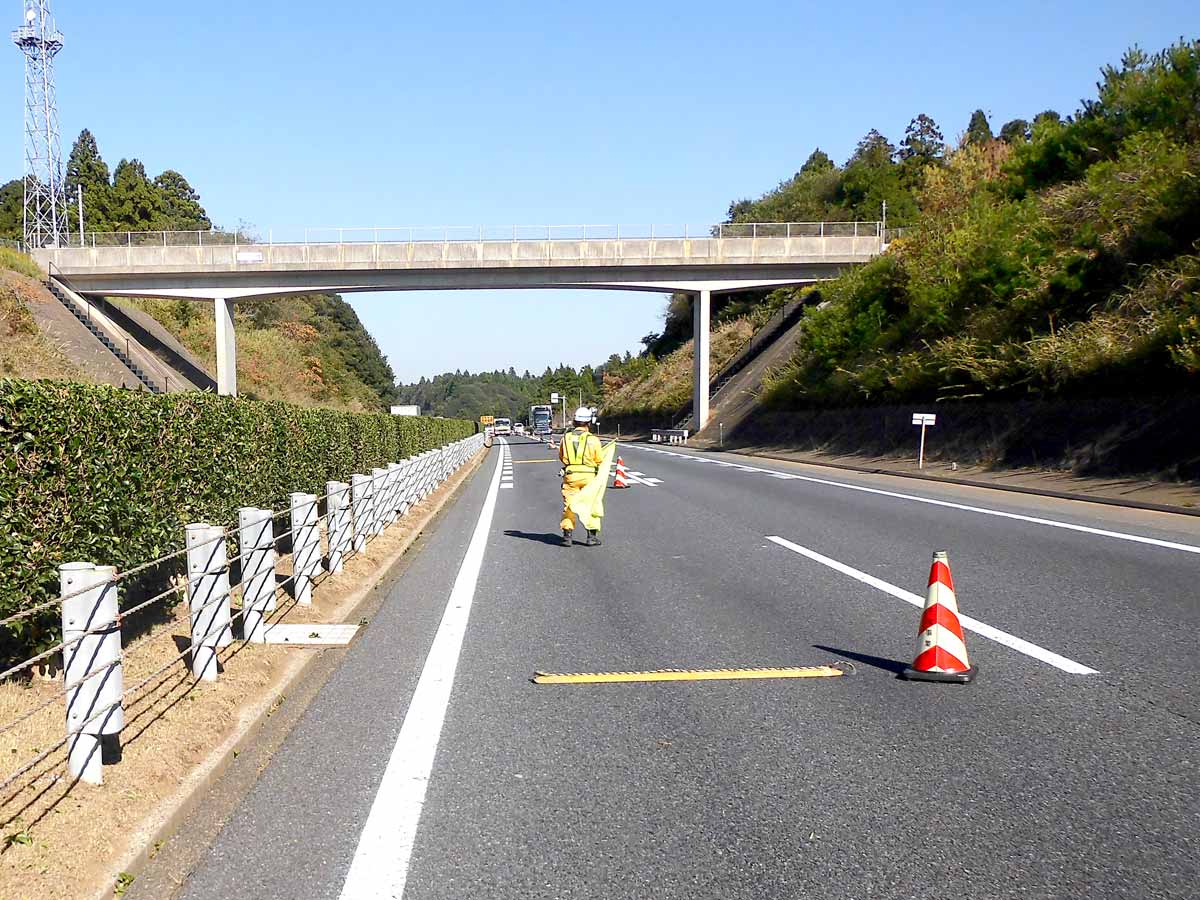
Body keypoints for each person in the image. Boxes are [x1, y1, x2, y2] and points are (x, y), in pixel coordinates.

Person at [559, 406, 604, 546]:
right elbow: (599, 459)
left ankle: (567, 536)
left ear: (574, 422)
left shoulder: (565, 438)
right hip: (590, 476)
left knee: (569, 505)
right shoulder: (593, 439)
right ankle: (591, 536)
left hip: (571, 476)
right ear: (588, 423)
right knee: (592, 504)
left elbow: (562, 456)